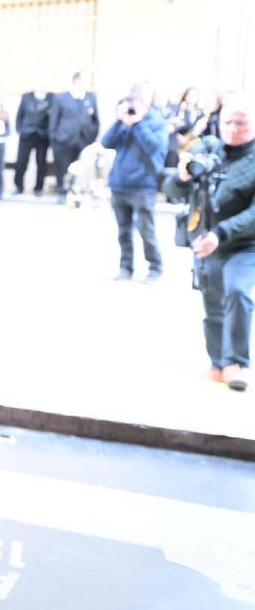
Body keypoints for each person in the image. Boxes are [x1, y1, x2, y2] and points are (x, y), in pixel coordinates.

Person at [164, 99, 255, 391]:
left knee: (237, 292)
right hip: (206, 242)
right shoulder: (208, 149)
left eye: (241, 123)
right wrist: (182, 175)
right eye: (228, 122)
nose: (233, 129)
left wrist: (221, 233)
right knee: (213, 302)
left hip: (244, 244)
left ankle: (235, 363)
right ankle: (217, 364)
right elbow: (171, 189)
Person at [101, 95, 166, 283]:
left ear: (145, 107)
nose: (131, 111)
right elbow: (106, 142)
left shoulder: (156, 124)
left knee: (146, 231)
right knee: (123, 232)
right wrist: (119, 121)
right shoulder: (123, 124)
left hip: (143, 187)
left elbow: (154, 147)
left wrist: (138, 124)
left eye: (134, 107)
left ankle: (155, 268)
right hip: (119, 185)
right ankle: (125, 267)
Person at [49, 72, 100, 200]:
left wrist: (92, 134)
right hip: (64, 138)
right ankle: (62, 191)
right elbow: (54, 119)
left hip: (84, 138)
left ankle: (74, 192)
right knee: (62, 167)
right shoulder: (61, 97)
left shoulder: (90, 97)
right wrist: (54, 137)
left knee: (79, 168)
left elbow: (95, 119)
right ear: (77, 80)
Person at [14, 87, 51, 195]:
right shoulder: (27, 97)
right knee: (21, 161)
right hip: (26, 134)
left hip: (43, 135)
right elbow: (20, 114)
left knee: (41, 163)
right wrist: (19, 129)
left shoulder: (51, 98)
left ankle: (38, 188)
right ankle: (18, 186)